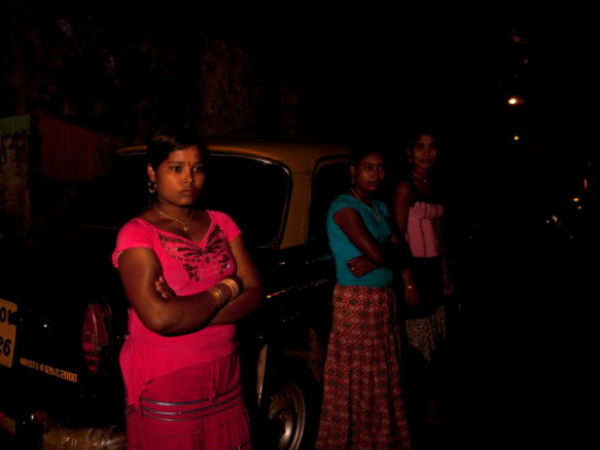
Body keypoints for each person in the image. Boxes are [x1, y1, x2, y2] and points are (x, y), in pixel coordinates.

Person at [111, 124, 262, 450]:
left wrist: (190, 313)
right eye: (176, 168)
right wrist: (227, 288)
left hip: (226, 376)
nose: (189, 179)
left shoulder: (222, 223)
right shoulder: (137, 233)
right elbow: (162, 318)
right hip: (169, 382)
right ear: (152, 172)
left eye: (197, 169)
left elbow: (254, 292)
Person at [315, 147, 411, 450]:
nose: (376, 174)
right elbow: (385, 251)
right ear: (353, 171)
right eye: (368, 167)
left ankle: (379, 439)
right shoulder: (343, 206)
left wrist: (376, 259)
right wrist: (381, 255)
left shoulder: (379, 206)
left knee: (381, 372)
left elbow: (399, 250)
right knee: (359, 375)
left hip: (383, 300)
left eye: (381, 168)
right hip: (357, 301)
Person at [392, 129, 454, 428]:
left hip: (432, 269)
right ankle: (420, 408)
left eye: (431, 147)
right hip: (412, 268)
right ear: (409, 151)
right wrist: (407, 281)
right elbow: (397, 235)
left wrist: (445, 274)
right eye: (420, 147)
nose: (426, 153)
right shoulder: (404, 187)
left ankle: (433, 403)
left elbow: (439, 232)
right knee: (417, 342)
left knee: (436, 337)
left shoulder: (433, 184)